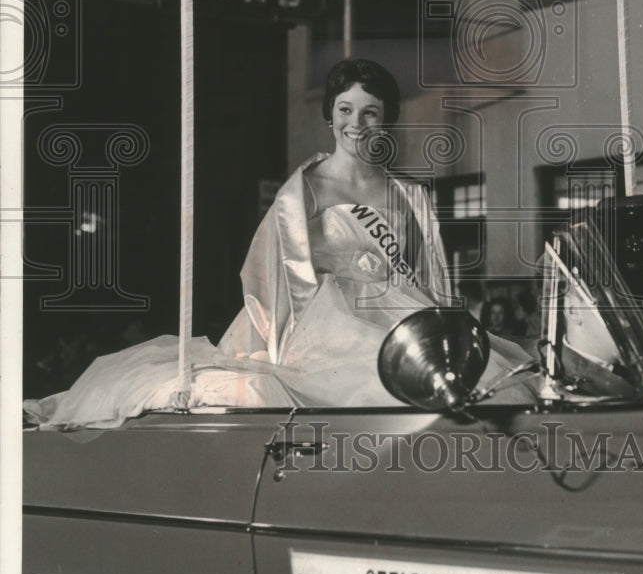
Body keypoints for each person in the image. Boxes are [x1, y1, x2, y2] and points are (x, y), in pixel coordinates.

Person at [25, 59, 536, 429]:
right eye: (345, 109)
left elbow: (428, 277)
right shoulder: (305, 190)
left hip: (404, 314)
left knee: (483, 384)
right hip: (329, 319)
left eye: (370, 112)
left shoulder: (409, 194)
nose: (356, 125)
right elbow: (273, 274)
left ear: (387, 118)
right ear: (330, 115)